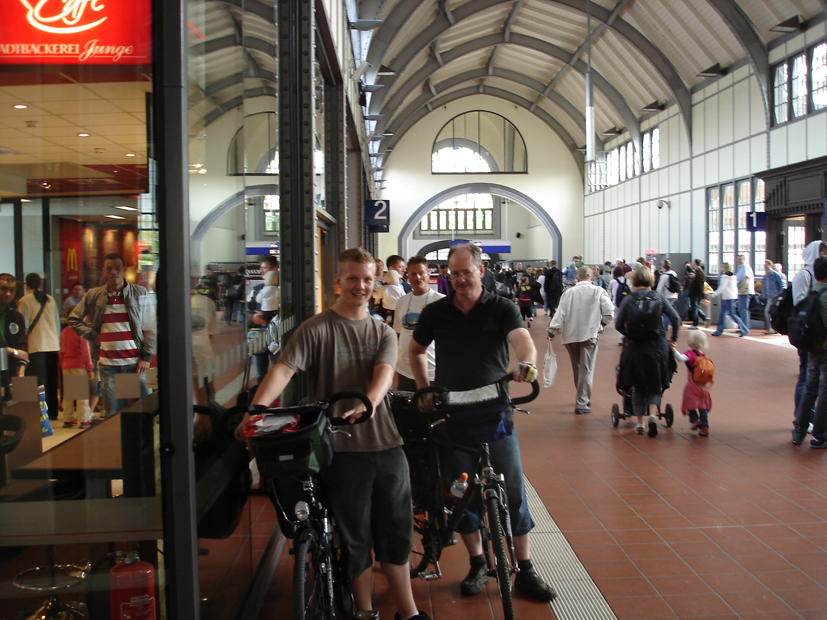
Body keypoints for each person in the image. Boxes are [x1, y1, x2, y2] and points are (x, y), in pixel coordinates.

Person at [234, 248, 429, 620]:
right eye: (352, 278)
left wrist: (369, 403)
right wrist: (255, 410)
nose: (360, 285)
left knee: (397, 533)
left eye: (367, 279)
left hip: (387, 444)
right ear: (338, 281)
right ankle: (365, 611)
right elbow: (283, 369)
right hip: (340, 450)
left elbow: (384, 373)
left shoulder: (382, 331)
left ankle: (409, 612)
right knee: (354, 537)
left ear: (375, 285)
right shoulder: (316, 329)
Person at [409, 242, 557, 602]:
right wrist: (424, 388)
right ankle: (477, 563)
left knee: (514, 490)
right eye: (454, 273)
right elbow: (414, 350)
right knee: (461, 495)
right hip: (451, 414)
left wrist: (529, 361)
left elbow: (522, 340)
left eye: (467, 272)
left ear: (480, 270)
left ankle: (524, 567)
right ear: (447, 274)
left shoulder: (501, 306)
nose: (461, 279)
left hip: (494, 411)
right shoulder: (435, 312)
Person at [68, 253, 156, 418]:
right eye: (109, 268)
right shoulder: (93, 295)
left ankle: (144, 442)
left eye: (117, 268)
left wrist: (147, 356)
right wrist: (93, 335)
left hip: (136, 364)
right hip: (108, 366)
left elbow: (151, 327)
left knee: (146, 411)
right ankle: (119, 444)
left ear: (123, 270)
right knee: (113, 416)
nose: (113, 272)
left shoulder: (139, 293)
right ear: (104, 271)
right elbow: (73, 319)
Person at [615, 265, 680, 437]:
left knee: (637, 385)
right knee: (655, 383)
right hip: (657, 347)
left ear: (634, 280)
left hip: (635, 347)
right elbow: (675, 318)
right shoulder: (658, 297)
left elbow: (618, 324)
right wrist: (673, 338)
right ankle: (652, 414)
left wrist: (630, 335)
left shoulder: (629, 299)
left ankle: (640, 423)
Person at [548, 265, 614, 415]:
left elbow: (560, 313)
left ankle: (582, 397)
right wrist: (601, 324)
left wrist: (552, 331)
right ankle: (582, 402)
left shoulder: (568, 293)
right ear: (592, 277)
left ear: (577, 278)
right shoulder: (598, 291)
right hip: (589, 334)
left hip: (571, 335)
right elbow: (609, 311)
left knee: (578, 368)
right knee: (586, 369)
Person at [393, 256, 444, 392]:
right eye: (413, 274)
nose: (418, 277)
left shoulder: (441, 302)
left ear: (428, 275)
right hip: (404, 370)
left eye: (421, 273)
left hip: (431, 371)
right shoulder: (401, 302)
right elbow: (400, 334)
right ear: (407, 276)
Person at [792, 255, 827, 449]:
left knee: (810, 388)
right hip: (825, 350)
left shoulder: (811, 293)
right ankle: (820, 436)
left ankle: (799, 431)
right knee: (824, 392)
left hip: (812, 349)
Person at [18, 273, 61, 420]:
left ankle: (42, 415)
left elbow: (22, 325)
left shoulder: (24, 301)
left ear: (26, 285)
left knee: (39, 383)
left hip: (36, 346)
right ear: (40, 283)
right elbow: (57, 323)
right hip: (52, 345)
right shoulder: (51, 299)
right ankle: (53, 412)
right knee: (52, 381)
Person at [669, 330, 713, 436]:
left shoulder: (689, 354)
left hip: (693, 384)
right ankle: (705, 426)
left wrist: (673, 348)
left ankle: (694, 420)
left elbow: (680, 358)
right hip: (704, 386)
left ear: (691, 342)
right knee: (702, 407)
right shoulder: (704, 355)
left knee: (689, 402)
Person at [247, 256, 279, 383]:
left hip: (277, 335)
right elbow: (248, 309)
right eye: (261, 268)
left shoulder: (284, 289)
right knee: (261, 373)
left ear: (274, 269)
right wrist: (252, 318)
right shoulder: (257, 290)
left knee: (278, 371)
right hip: (258, 335)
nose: (261, 271)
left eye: (265, 268)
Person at [59, 316, 95, 428]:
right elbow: (85, 351)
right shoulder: (80, 331)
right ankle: (84, 420)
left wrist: (62, 364)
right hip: (79, 365)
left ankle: (68, 419)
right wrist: (90, 368)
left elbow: (60, 351)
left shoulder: (64, 332)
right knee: (81, 395)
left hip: (66, 365)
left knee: (69, 394)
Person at [0, 273, 29, 377]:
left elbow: (22, 346)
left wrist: (21, 373)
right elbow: (17, 352)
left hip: (9, 373)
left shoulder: (16, 317)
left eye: (11, 290)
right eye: (4, 289)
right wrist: (13, 352)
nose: (8, 293)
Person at [710, 262, 749, 337]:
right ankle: (719, 330)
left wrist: (713, 295)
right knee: (724, 314)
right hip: (732, 296)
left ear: (723, 268)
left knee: (731, 314)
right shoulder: (733, 276)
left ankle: (744, 329)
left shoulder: (724, 276)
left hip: (727, 297)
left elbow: (722, 288)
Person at [762, 260, 786, 334]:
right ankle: (772, 328)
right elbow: (764, 287)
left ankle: (772, 328)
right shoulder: (765, 276)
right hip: (769, 297)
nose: (765, 267)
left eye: (766, 265)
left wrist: (780, 295)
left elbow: (782, 285)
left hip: (775, 297)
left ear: (770, 265)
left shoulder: (775, 274)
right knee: (769, 312)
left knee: (768, 312)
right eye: (764, 265)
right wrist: (764, 295)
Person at [655, 259, 680, 332]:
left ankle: (665, 327)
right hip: (673, 295)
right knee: (671, 311)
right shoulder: (674, 274)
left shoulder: (664, 276)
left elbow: (659, 288)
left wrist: (656, 296)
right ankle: (670, 325)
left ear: (664, 267)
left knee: (665, 313)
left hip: (666, 296)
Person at [687, 259, 708, 329]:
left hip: (695, 293)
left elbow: (700, 284)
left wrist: (703, 295)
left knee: (694, 308)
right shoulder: (699, 272)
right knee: (696, 308)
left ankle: (695, 323)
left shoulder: (699, 273)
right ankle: (705, 318)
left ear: (695, 263)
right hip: (697, 293)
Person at [735, 254, 755, 329]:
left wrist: (743, 289)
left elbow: (746, 278)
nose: (739, 261)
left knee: (743, 309)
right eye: (738, 259)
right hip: (741, 291)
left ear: (744, 260)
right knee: (741, 309)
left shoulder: (745, 267)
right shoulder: (739, 268)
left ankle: (745, 327)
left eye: (740, 259)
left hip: (745, 292)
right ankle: (743, 326)